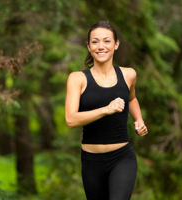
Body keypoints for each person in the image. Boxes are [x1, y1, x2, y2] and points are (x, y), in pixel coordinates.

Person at [64, 20, 148, 200]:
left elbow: (132, 98)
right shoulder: (77, 79)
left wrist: (138, 119)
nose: (101, 46)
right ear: (88, 46)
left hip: (122, 158)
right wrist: (106, 109)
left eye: (107, 41)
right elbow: (71, 120)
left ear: (116, 45)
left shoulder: (128, 74)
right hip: (91, 161)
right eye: (95, 42)